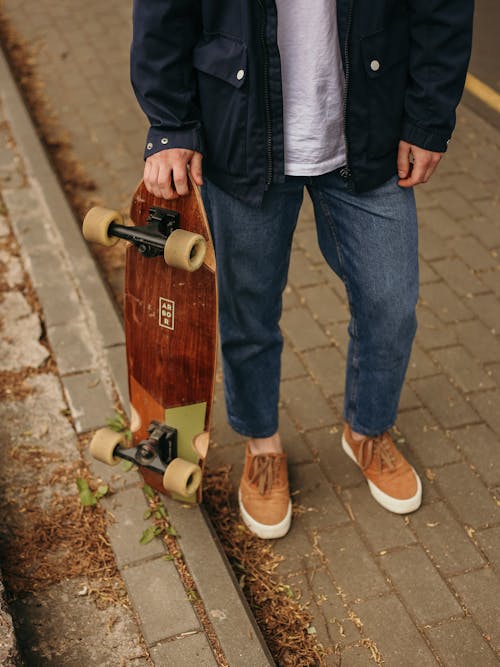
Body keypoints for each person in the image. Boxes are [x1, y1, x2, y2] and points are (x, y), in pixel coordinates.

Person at [131, 0, 473, 539]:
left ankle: (368, 429)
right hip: (240, 133)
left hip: (367, 131)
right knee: (249, 311)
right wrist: (171, 125)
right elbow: (164, 9)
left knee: (391, 301)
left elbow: (442, 9)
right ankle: (261, 444)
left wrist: (429, 119)